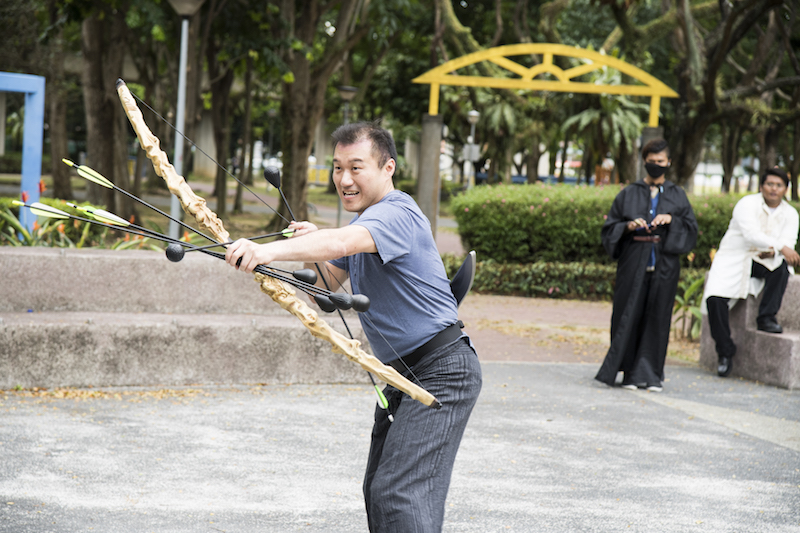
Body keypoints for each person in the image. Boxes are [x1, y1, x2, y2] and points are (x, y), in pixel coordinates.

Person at [224, 121, 482, 532]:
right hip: (400, 375)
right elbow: (326, 293)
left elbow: (342, 242)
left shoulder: (396, 212)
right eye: (337, 167)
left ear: (387, 168)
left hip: (442, 371)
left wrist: (264, 250)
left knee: (399, 494)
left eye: (356, 167)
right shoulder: (364, 225)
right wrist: (308, 250)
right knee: (381, 492)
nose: (344, 179)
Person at [595, 139, 698, 391]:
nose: (655, 165)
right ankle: (629, 372)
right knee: (628, 314)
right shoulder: (629, 193)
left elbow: (691, 229)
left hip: (664, 264)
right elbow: (610, 228)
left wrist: (671, 220)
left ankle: (651, 374)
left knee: (658, 317)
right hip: (633, 262)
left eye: (660, 161)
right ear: (644, 162)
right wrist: (628, 226)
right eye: (651, 161)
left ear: (668, 162)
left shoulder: (677, 194)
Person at [702, 167, 800, 377]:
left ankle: (766, 318)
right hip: (735, 257)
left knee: (781, 269)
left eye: (779, 185)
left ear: (785, 189)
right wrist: (779, 247)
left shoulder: (791, 214)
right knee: (715, 299)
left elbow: (789, 242)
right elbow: (750, 234)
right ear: (762, 186)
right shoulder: (746, 204)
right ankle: (725, 351)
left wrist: (775, 251)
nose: (773, 189)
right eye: (770, 184)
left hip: (765, 258)